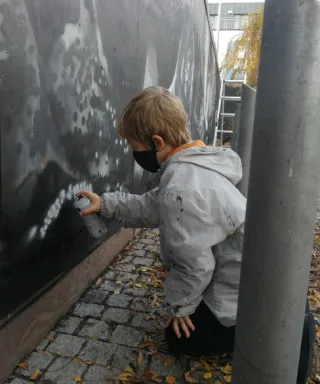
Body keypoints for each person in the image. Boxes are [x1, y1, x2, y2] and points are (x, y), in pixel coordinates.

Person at [78, 86, 314, 382]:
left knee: (177, 340)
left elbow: (195, 266)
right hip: (256, 281)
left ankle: (263, 336)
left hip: (247, 298)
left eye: (134, 146)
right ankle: (282, 324)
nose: (133, 153)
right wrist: (107, 204)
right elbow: (152, 206)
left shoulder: (181, 187)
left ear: (156, 142)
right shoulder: (196, 165)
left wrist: (179, 308)